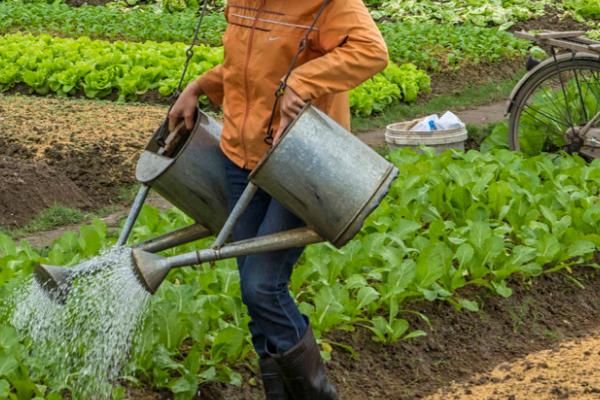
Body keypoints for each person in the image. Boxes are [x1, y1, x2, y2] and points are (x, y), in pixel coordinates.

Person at [169, 1, 388, 399]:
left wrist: (304, 81)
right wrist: (198, 86)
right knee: (255, 295)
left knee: (262, 286)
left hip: (300, 157)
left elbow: (371, 51)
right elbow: (247, 70)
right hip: (239, 154)